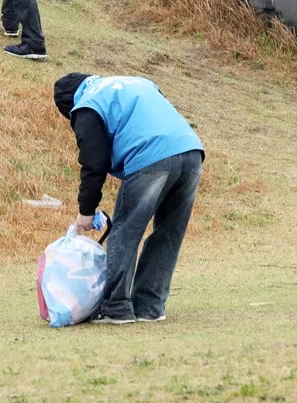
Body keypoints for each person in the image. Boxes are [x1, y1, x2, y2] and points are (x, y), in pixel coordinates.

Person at [51, 73, 205, 325]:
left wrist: (85, 212)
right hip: (191, 152)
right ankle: (150, 305)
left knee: (125, 230)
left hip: (151, 156)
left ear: (69, 108)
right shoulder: (131, 84)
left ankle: (116, 307)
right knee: (168, 233)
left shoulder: (86, 104)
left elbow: (93, 162)